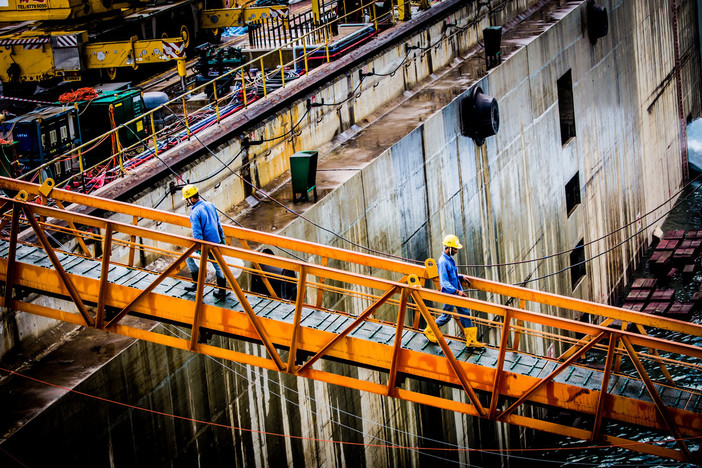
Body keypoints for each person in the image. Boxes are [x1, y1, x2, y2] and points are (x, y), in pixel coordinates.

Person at [424, 234, 485, 347]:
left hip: (455, 294)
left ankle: (471, 341)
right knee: (446, 316)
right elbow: (444, 282)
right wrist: (457, 292)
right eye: (455, 249)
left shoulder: (450, 259)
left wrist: (460, 277)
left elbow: (452, 274)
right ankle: (429, 329)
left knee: (464, 313)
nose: (457, 251)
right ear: (449, 248)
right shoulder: (443, 262)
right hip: (450, 294)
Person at [182, 184, 228, 300]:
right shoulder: (210, 205)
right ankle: (222, 291)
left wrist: (199, 249)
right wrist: (222, 240)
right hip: (216, 241)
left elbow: (197, 234)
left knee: (189, 258)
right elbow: (218, 224)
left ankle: (197, 284)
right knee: (218, 265)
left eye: (187, 200)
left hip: (206, 244)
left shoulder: (195, 213)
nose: (187, 202)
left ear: (191, 199)